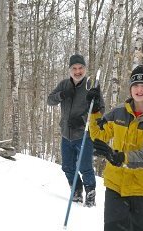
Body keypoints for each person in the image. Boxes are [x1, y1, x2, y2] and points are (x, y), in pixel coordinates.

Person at [86, 64, 143, 230]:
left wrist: (122, 157)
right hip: (115, 185)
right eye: (135, 85)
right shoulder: (118, 112)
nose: (139, 89)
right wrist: (95, 111)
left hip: (142, 189)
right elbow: (98, 135)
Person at [47, 54, 105, 207]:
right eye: (74, 68)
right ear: (70, 70)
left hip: (84, 134)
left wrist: (82, 119)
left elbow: (101, 109)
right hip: (66, 134)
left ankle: (90, 194)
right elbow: (49, 100)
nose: (78, 71)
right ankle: (77, 190)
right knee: (67, 166)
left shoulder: (91, 85)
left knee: (85, 166)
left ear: (85, 69)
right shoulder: (64, 84)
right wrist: (62, 95)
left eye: (80, 68)